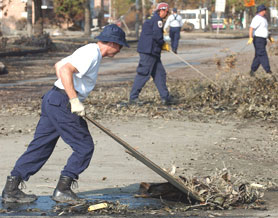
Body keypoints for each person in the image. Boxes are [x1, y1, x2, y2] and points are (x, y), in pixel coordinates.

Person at [1, 24, 129, 204]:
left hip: (54, 99)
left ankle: (11, 190)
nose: (120, 49)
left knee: (41, 146)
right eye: (121, 45)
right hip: (61, 102)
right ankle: (63, 190)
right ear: (113, 43)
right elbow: (64, 70)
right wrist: (73, 99)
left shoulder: (90, 51)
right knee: (84, 147)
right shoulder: (91, 53)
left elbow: (58, 65)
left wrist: (66, 94)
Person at [129, 2, 174, 105]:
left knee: (160, 74)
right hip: (149, 51)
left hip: (152, 51)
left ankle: (165, 97)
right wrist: (163, 44)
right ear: (161, 11)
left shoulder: (151, 18)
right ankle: (133, 98)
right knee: (143, 73)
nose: (166, 15)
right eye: (166, 13)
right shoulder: (157, 20)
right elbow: (157, 36)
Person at [247, 4, 274, 77]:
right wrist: (250, 37)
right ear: (262, 11)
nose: (265, 12)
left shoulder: (264, 19)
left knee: (258, 56)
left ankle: (252, 71)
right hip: (258, 39)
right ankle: (268, 70)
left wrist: (269, 37)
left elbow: (264, 30)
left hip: (263, 39)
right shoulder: (257, 18)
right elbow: (251, 28)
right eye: (264, 10)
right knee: (263, 54)